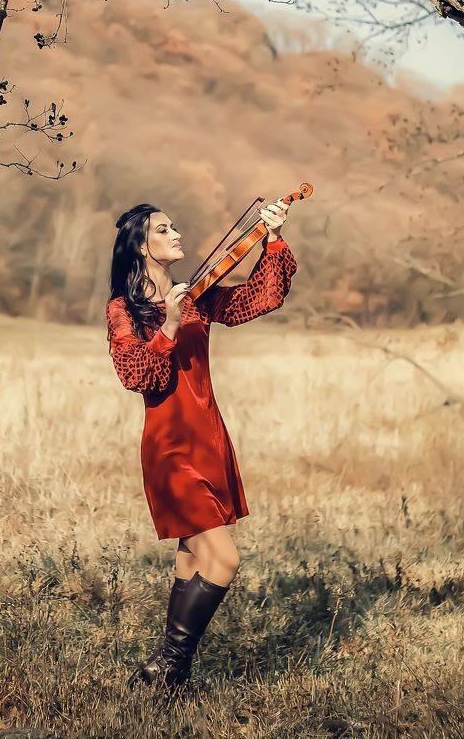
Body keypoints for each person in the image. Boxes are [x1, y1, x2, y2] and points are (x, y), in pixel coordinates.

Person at [105, 200, 297, 692]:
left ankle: (164, 679)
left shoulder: (198, 296)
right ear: (140, 246)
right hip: (170, 448)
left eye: (174, 225)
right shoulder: (124, 310)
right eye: (163, 229)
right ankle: (168, 666)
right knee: (225, 560)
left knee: (193, 559)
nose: (177, 233)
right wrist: (168, 325)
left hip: (208, 438)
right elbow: (136, 375)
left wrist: (272, 237)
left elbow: (261, 298)